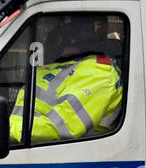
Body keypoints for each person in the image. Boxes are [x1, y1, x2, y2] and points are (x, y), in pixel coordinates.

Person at [9, 15, 123, 143]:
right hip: (21, 146)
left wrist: (4, 130)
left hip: (48, 151)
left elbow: (56, 128)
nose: (49, 39)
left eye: (56, 31)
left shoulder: (99, 74)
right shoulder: (57, 66)